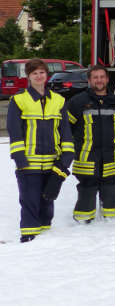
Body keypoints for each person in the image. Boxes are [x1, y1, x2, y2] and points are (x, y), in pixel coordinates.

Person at [7, 59, 74, 242]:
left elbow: (65, 132)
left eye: (41, 72)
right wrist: (20, 161)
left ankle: (45, 238)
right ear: (28, 76)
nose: (38, 76)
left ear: (47, 75)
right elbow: (15, 132)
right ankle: (28, 237)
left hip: (53, 162)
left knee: (48, 200)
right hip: (29, 163)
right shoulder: (19, 100)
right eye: (34, 73)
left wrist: (65, 160)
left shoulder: (59, 101)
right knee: (29, 202)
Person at [66, 65, 115, 223]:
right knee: (87, 184)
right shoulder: (77, 102)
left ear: (107, 79)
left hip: (111, 154)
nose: (99, 80)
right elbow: (67, 128)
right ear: (89, 80)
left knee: (111, 183)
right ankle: (83, 218)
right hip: (86, 154)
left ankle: (111, 215)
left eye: (102, 77)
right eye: (95, 77)